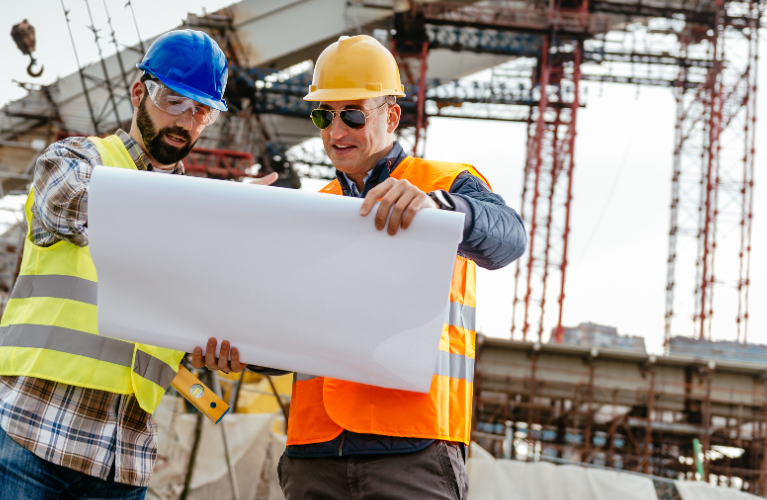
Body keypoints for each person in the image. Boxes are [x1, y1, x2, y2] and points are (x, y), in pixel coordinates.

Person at [192, 35, 527, 499]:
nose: (335, 132)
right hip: (314, 454)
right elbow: (291, 338)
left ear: (391, 115)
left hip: (411, 449)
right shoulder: (313, 211)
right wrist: (240, 352)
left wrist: (443, 209)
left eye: (352, 114)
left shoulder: (444, 185)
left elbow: (509, 239)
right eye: (323, 116)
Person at [0, 30, 271, 500]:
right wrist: (213, 212)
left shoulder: (203, 217)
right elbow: (73, 207)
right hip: (31, 428)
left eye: (201, 111)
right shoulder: (76, 158)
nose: (185, 121)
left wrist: (226, 348)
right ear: (139, 93)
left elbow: (199, 319)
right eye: (173, 101)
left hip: (122, 458)